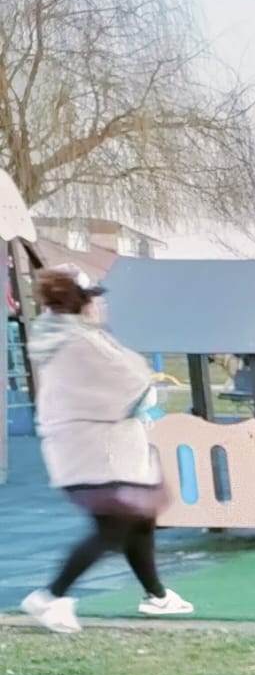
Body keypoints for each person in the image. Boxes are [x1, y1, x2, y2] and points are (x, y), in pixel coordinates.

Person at [20, 267, 192, 632]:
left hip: (90, 447)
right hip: (99, 452)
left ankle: (156, 595)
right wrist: (147, 396)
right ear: (84, 302)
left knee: (139, 520)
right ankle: (51, 596)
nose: (102, 304)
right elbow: (130, 380)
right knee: (113, 527)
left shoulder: (63, 337)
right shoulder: (81, 342)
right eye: (96, 297)